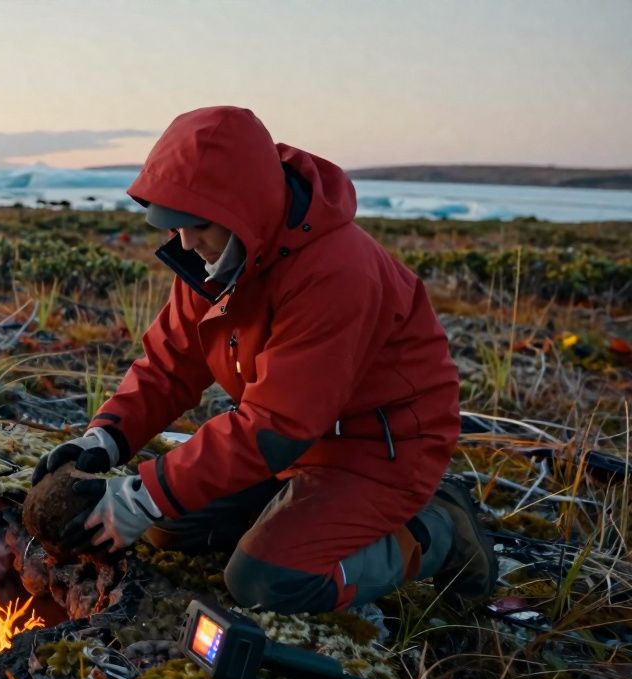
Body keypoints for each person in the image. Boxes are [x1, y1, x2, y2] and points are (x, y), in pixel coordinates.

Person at [32, 106, 497, 614]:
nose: (186, 242)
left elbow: (277, 423)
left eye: (198, 224)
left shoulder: (338, 272)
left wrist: (143, 495)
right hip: (291, 447)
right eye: (173, 224)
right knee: (166, 525)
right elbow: (169, 366)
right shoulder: (216, 257)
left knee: (267, 580)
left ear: (244, 207)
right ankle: (287, 509)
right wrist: (105, 438)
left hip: (379, 452)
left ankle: (440, 530)